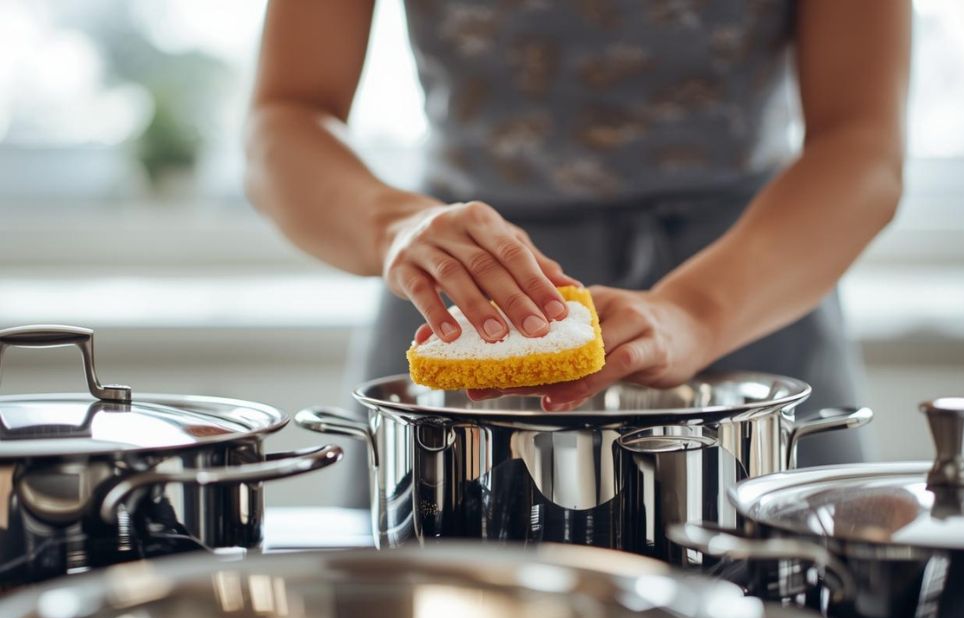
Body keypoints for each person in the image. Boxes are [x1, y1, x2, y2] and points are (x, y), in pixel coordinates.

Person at [245, 1, 909, 486]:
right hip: (465, 297)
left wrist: (697, 312)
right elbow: (285, 117)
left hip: (752, 295)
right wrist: (392, 225)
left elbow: (862, 144)